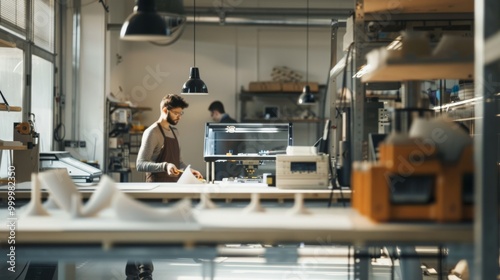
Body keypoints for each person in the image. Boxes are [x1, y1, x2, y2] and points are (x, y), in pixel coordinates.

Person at [127, 94, 203, 280]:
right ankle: (144, 272)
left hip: (174, 188)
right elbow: (140, 164)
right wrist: (164, 166)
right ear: (165, 110)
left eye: (181, 113)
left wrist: (189, 171)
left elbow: (179, 162)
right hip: (155, 189)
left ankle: (132, 273)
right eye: (176, 113)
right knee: (145, 230)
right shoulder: (152, 132)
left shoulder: (175, 132)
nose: (179, 117)